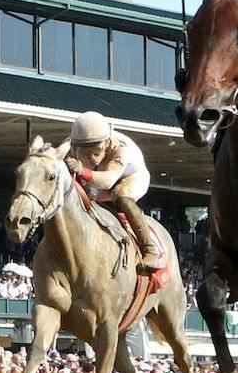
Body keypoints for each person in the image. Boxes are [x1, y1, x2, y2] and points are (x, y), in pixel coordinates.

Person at [56, 111, 164, 273]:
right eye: (85, 153)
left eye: (96, 152)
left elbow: (107, 181)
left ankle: (149, 248)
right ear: (75, 145)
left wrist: (81, 169)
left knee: (120, 195)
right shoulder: (71, 143)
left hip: (129, 177)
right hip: (98, 181)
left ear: (106, 143)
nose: (92, 158)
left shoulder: (121, 149)